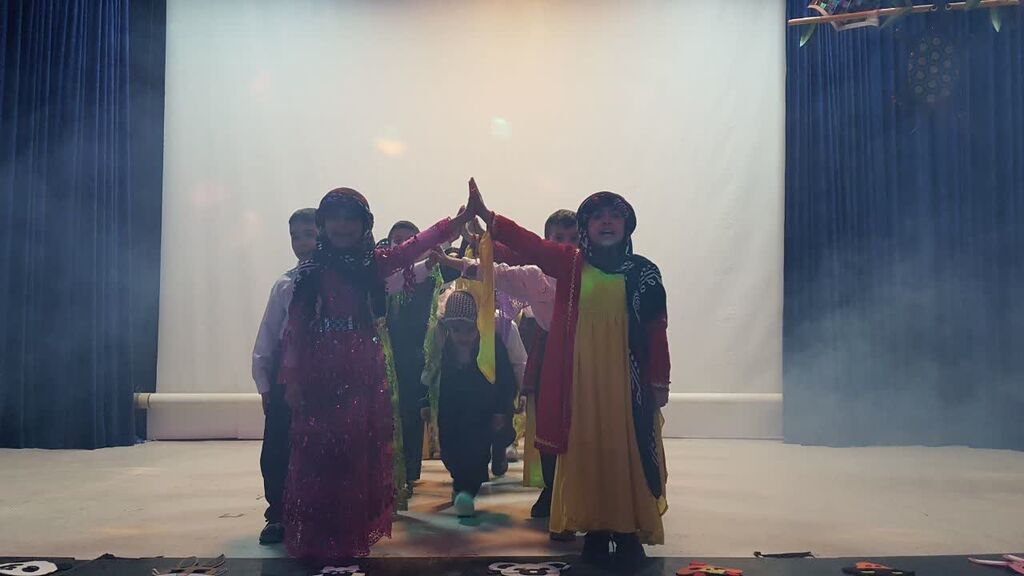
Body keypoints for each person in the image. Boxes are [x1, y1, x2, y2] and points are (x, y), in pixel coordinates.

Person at [466, 181, 671, 567]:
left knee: (626, 450)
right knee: (586, 449)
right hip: (581, 379)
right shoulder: (571, 264)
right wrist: (488, 217)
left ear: (627, 225)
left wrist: (660, 379)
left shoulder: (644, 272)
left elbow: (656, 327)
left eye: (615, 216)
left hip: (627, 381)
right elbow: (530, 246)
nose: (607, 222)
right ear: (586, 227)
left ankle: (628, 531)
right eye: (598, 217)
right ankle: (595, 530)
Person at [278, 188, 467, 562]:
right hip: (320, 369)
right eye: (335, 218)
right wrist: (292, 379)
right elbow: (295, 328)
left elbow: (412, 249)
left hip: (363, 368)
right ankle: (321, 532)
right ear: (323, 224)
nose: (342, 226)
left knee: (356, 449)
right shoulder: (311, 271)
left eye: (351, 218)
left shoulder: (372, 264)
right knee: (320, 450)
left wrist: (453, 225)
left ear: (364, 224)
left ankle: (350, 532)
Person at [251, 207, 317, 545]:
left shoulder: (341, 281)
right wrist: (264, 382)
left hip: (327, 373)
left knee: (321, 445)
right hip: (286, 375)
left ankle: (318, 512)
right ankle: (277, 513)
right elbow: (268, 334)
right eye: (295, 236)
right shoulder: (285, 284)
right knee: (279, 445)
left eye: (309, 235)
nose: (301, 243)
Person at [434, 290, 518, 518]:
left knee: (477, 454)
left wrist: (501, 410)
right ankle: (460, 483)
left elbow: (505, 380)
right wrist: (426, 403)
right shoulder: (445, 349)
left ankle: (467, 491)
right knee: (450, 450)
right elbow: (433, 378)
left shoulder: (491, 346)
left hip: (481, 412)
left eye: (468, 330)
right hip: (451, 412)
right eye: (456, 330)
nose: (462, 336)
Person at [384, 221, 442, 494]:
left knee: (411, 414)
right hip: (383, 354)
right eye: (398, 240)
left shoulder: (430, 275)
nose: (404, 245)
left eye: (410, 240)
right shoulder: (379, 274)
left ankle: (408, 473)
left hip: (417, 356)